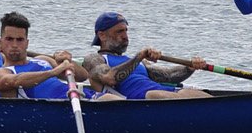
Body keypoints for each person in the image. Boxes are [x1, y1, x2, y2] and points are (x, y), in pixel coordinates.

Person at [81, 11, 210, 100]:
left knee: (200, 96)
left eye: (126, 31)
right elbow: (109, 78)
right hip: (141, 99)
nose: (125, 36)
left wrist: (189, 68)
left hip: (164, 92)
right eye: (119, 31)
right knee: (157, 95)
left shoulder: (138, 62)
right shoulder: (95, 59)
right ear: (102, 35)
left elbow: (169, 76)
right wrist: (139, 57)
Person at [0, 12, 95, 99]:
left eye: (20, 40)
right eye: (9, 39)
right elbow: (15, 81)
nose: (15, 45)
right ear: (0, 42)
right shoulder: (1, 73)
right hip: (59, 108)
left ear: (27, 43)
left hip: (79, 96)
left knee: (109, 98)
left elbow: (82, 76)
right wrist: (53, 72)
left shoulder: (43, 60)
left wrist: (68, 61)